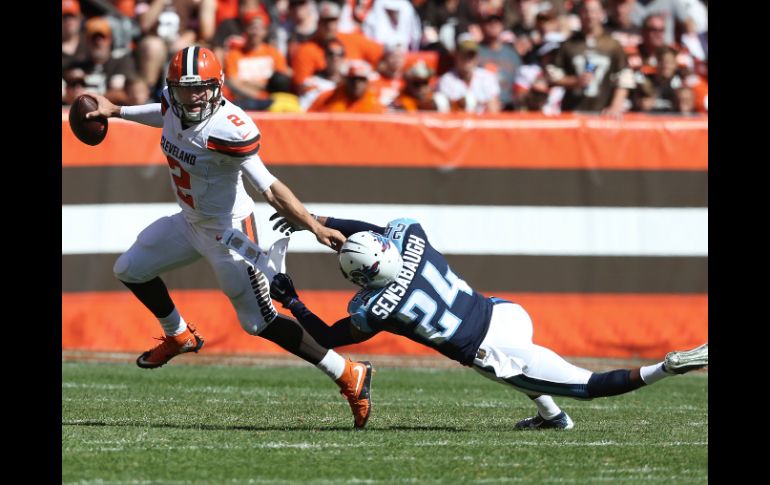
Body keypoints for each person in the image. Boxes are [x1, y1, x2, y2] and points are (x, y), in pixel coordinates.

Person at [82, 46, 373, 428]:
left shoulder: (228, 126)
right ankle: (179, 334)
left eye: (201, 88)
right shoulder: (173, 103)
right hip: (189, 222)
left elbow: (268, 187)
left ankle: (349, 372)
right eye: (185, 89)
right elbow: (165, 114)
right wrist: (117, 112)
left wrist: (314, 226)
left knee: (260, 322)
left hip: (229, 231)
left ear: (217, 85)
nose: (194, 96)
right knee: (130, 268)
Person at [268, 214, 709, 429]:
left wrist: (292, 301)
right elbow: (373, 229)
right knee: (522, 372)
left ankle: (665, 368)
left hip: (488, 347)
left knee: (586, 387)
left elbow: (327, 336)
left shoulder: (376, 308)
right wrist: (320, 222)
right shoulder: (411, 238)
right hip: (503, 311)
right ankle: (551, 418)